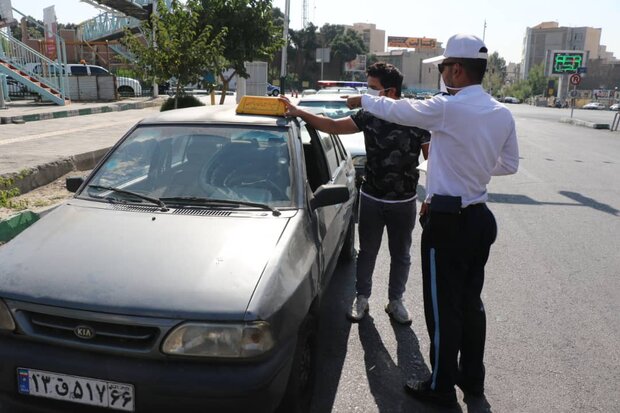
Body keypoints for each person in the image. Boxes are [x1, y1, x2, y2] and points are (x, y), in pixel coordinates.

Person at [346, 34, 519, 407]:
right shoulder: (501, 112)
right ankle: (472, 380)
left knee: (443, 310)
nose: (441, 73)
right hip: (480, 218)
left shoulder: (448, 108)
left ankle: (441, 385)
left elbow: (398, 110)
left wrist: (364, 99)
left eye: (442, 67)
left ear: (456, 69)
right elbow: (509, 165)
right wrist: (471, 163)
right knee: (471, 304)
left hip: (448, 220)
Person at [280, 62, 430, 325]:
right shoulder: (368, 115)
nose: (367, 94)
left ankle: (396, 301)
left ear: (391, 92)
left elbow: (433, 161)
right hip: (372, 197)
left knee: (401, 254)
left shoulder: (416, 118)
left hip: (404, 201)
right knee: (367, 252)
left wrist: (432, 197)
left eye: (372, 88)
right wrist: (299, 112)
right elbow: (332, 126)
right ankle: (362, 298)